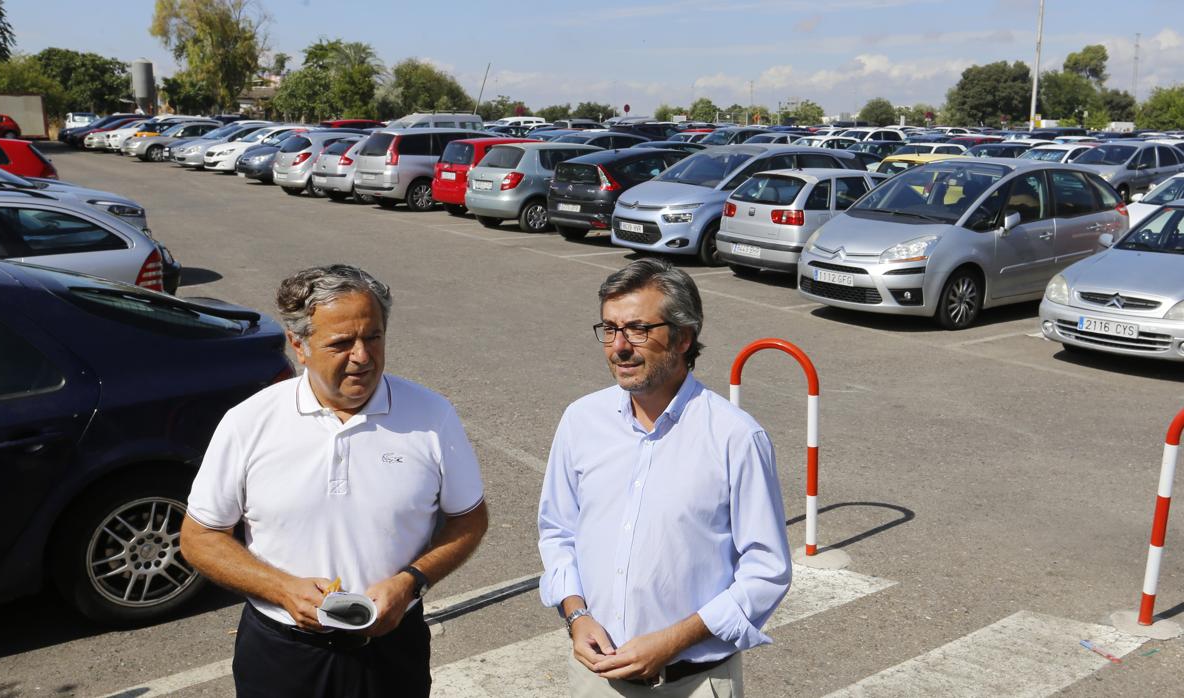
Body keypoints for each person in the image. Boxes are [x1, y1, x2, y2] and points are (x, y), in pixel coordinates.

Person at [181, 264, 488, 698]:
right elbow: (199, 537)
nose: (363, 356)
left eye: (374, 337)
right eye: (342, 343)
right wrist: (281, 589)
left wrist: (410, 582)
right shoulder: (249, 423)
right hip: (282, 656)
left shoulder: (432, 416)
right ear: (299, 345)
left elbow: (469, 520)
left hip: (392, 650)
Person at [537, 259, 792, 697]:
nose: (619, 346)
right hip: (596, 680)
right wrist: (577, 615)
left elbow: (766, 571)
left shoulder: (735, 437)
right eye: (609, 328)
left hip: (692, 682)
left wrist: (673, 640)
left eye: (638, 329)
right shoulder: (581, 420)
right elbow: (559, 532)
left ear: (683, 336)